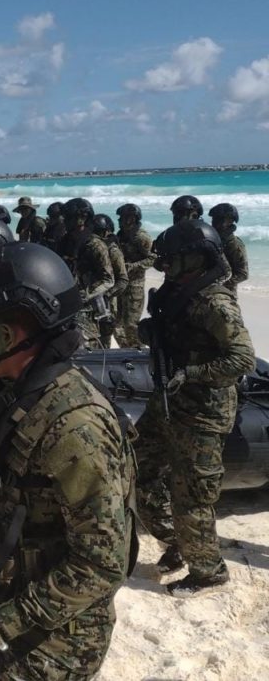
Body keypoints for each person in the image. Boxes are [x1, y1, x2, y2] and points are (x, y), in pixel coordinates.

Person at [0, 242, 133, 679]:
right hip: (10, 601)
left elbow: (101, 564)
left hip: (56, 638)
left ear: (8, 336)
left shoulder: (74, 428)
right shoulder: (13, 392)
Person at [134, 221, 254, 596]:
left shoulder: (214, 303)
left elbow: (242, 359)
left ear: (195, 258)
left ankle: (208, 573)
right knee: (139, 473)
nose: (166, 266)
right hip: (169, 403)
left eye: (173, 259)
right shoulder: (177, 293)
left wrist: (193, 373)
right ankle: (178, 542)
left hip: (203, 414)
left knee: (192, 498)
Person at [59, 198, 113, 349]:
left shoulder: (95, 245)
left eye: (68, 217)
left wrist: (85, 294)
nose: (65, 221)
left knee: (90, 349)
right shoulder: (65, 242)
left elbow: (108, 279)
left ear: (81, 218)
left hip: (90, 309)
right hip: (69, 305)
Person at [114, 203, 154, 348]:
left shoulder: (141, 237)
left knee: (131, 325)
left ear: (132, 219)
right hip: (120, 284)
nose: (119, 221)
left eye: (123, 218)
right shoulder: (121, 236)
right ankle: (126, 351)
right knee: (116, 324)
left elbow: (153, 258)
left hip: (135, 286)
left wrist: (133, 266)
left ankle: (138, 351)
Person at [91, 214, 127, 348]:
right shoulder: (92, 248)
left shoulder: (113, 250)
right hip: (92, 297)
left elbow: (123, 280)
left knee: (105, 335)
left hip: (107, 301)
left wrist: (107, 295)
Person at [209, 203, 247, 294]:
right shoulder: (211, 239)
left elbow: (243, 274)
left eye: (220, 219)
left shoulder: (234, 244)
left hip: (225, 293)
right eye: (215, 219)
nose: (215, 222)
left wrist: (221, 284)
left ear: (230, 221)